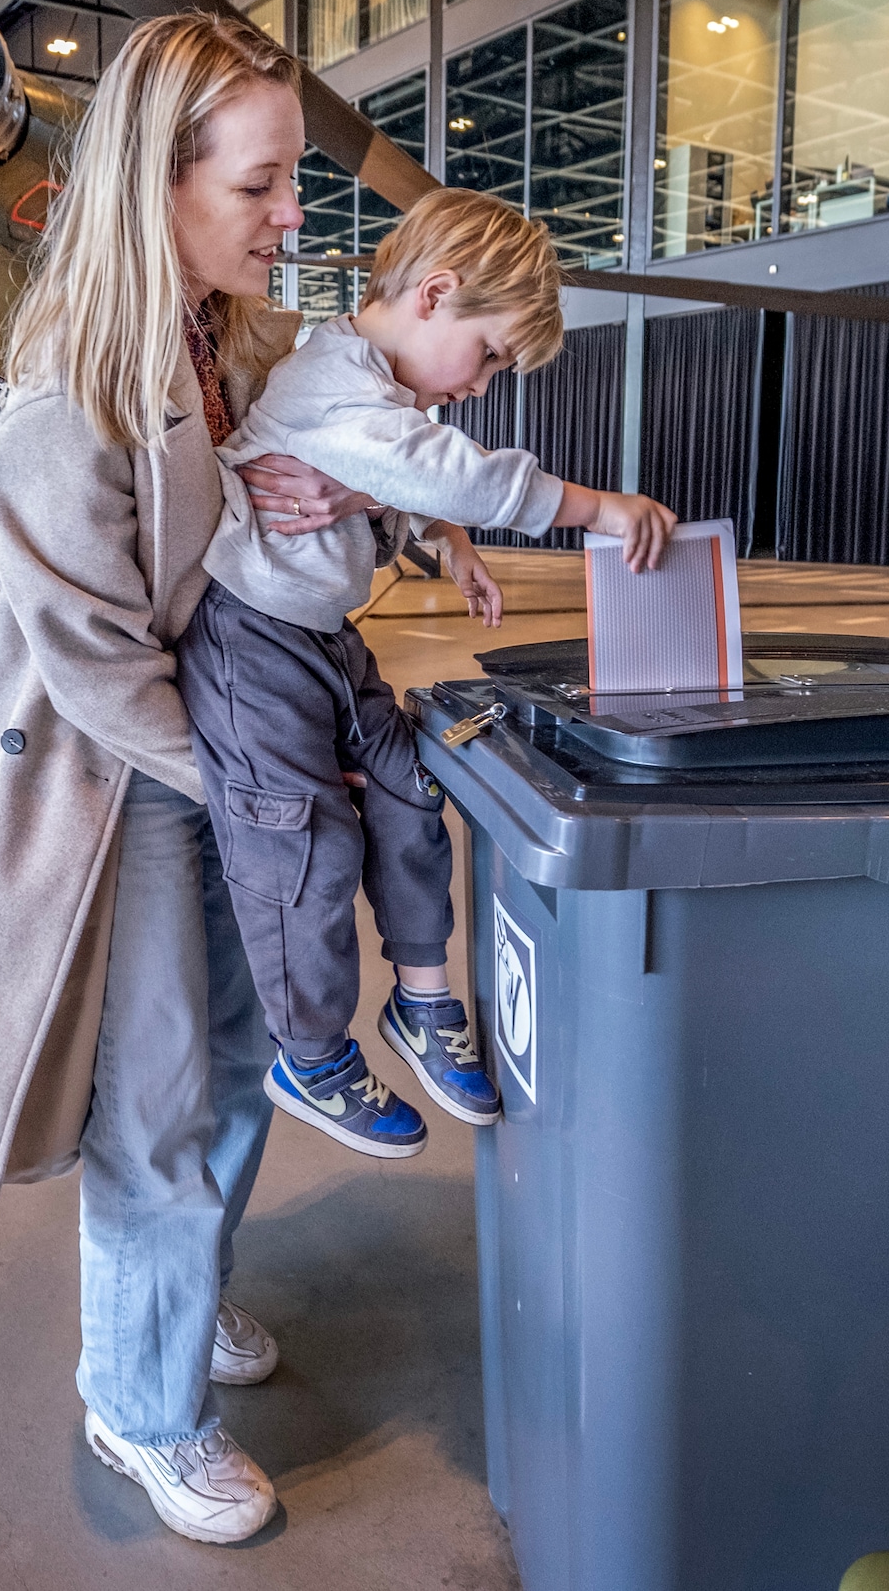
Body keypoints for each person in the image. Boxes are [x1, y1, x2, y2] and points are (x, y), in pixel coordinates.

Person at [0, 12, 381, 1548]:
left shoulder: (225, 343)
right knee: (160, 1107)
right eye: (258, 185)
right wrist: (267, 792)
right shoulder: (73, 394)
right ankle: (140, 1400)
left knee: (240, 1063)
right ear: (156, 182)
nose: (290, 214)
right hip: (133, 796)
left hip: (223, 776)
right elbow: (102, 671)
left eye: (290, 179)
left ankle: (179, 1299)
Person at [180, 188, 677, 1159]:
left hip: (322, 637)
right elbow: (443, 469)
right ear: (435, 294)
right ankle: (311, 1055)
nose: (480, 384)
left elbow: (400, 478)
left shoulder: (374, 395)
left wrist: (450, 545)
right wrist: (596, 508)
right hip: (252, 640)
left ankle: (421, 999)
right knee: (307, 849)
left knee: (411, 787)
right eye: (487, 354)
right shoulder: (333, 376)